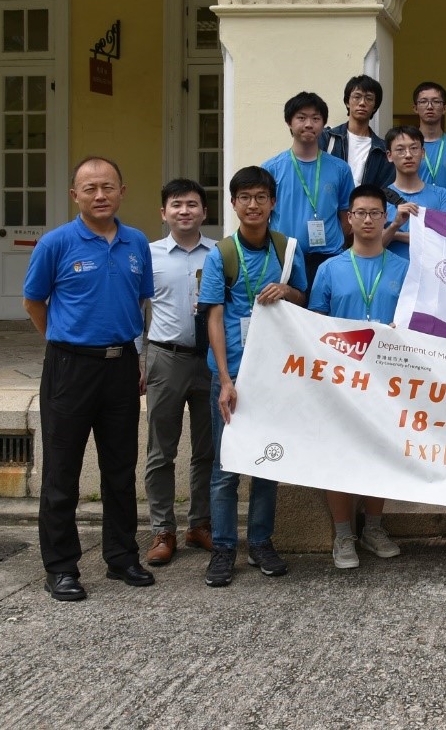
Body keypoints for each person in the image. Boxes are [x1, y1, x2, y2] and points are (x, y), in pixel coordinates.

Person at [23, 156, 155, 602]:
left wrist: (135, 356)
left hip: (120, 367)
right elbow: (34, 301)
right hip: (70, 369)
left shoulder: (137, 242)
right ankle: (60, 567)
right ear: (74, 195)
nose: (100, 195)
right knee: (62, 471)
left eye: (108, 187)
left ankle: (122, 557)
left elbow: (140, 303)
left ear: (122, 190)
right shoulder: (56, 243)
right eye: (90, 188)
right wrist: (65, 341)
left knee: (120, 469)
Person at [198, 166, 308, 588]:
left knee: (267, 460)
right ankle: (224, 549)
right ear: (233, 204)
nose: (253, 205)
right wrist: (225, 379)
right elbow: (214, 316)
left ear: (273, 202)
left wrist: (289, 292)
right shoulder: (220, 255)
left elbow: (304, 302)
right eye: (244, 197)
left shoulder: (286, 249)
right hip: (232, 376)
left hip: (275, 376)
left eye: (261, 197)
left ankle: (261, 542)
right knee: (226, 466)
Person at [310, 185, 411, 568]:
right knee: (339, 453)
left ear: (385, 218)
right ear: (348, 220)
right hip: (342, 378)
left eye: (375, 213)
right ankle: (342, 535)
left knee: (381, 450)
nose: (368, 220)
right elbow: (316, 326)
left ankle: (373, 527)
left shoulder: (404, 270)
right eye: (360, 213)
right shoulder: (329, 269)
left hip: (388, 379)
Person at [143, 178, 217, 567]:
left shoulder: (220, 254)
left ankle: (199, 523)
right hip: (165, 359)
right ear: (164, 213)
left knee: (206, 448)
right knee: (161, 451)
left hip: (207, 359)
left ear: (205, 212)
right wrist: (141, 361)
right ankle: (162, 529)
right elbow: (135, 309)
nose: (184, 211)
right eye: (176, 205)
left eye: (192, 205)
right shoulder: (148, 255)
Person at [263, 91, 355, 288]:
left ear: (323, 124)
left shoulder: (340, 169)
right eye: (301, 118)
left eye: (316, 118)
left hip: (329, 257)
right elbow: (262, 216)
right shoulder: (271, 169)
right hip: (283, 256)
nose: (308, 124)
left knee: (324, 316)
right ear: (289, 122)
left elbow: (346, 215)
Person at [383, 125, 446, 261]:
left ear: (423, 153)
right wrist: (395, 226)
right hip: (392, 275)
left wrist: (396, 235)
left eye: (414, 148)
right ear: (389, 156)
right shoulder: (378, 198)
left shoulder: (442, 195)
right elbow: (372, 246)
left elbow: (445, 240)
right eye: (400, 150)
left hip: (432, 273)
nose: (408, 155)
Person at [322, 75, 395, 188]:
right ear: (347, 102)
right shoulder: (328, 138)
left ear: (375, 106)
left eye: (369, 98)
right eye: (357, 97)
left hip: (366, 205)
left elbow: (385, 189)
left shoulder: (383, 150)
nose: (362, 103)